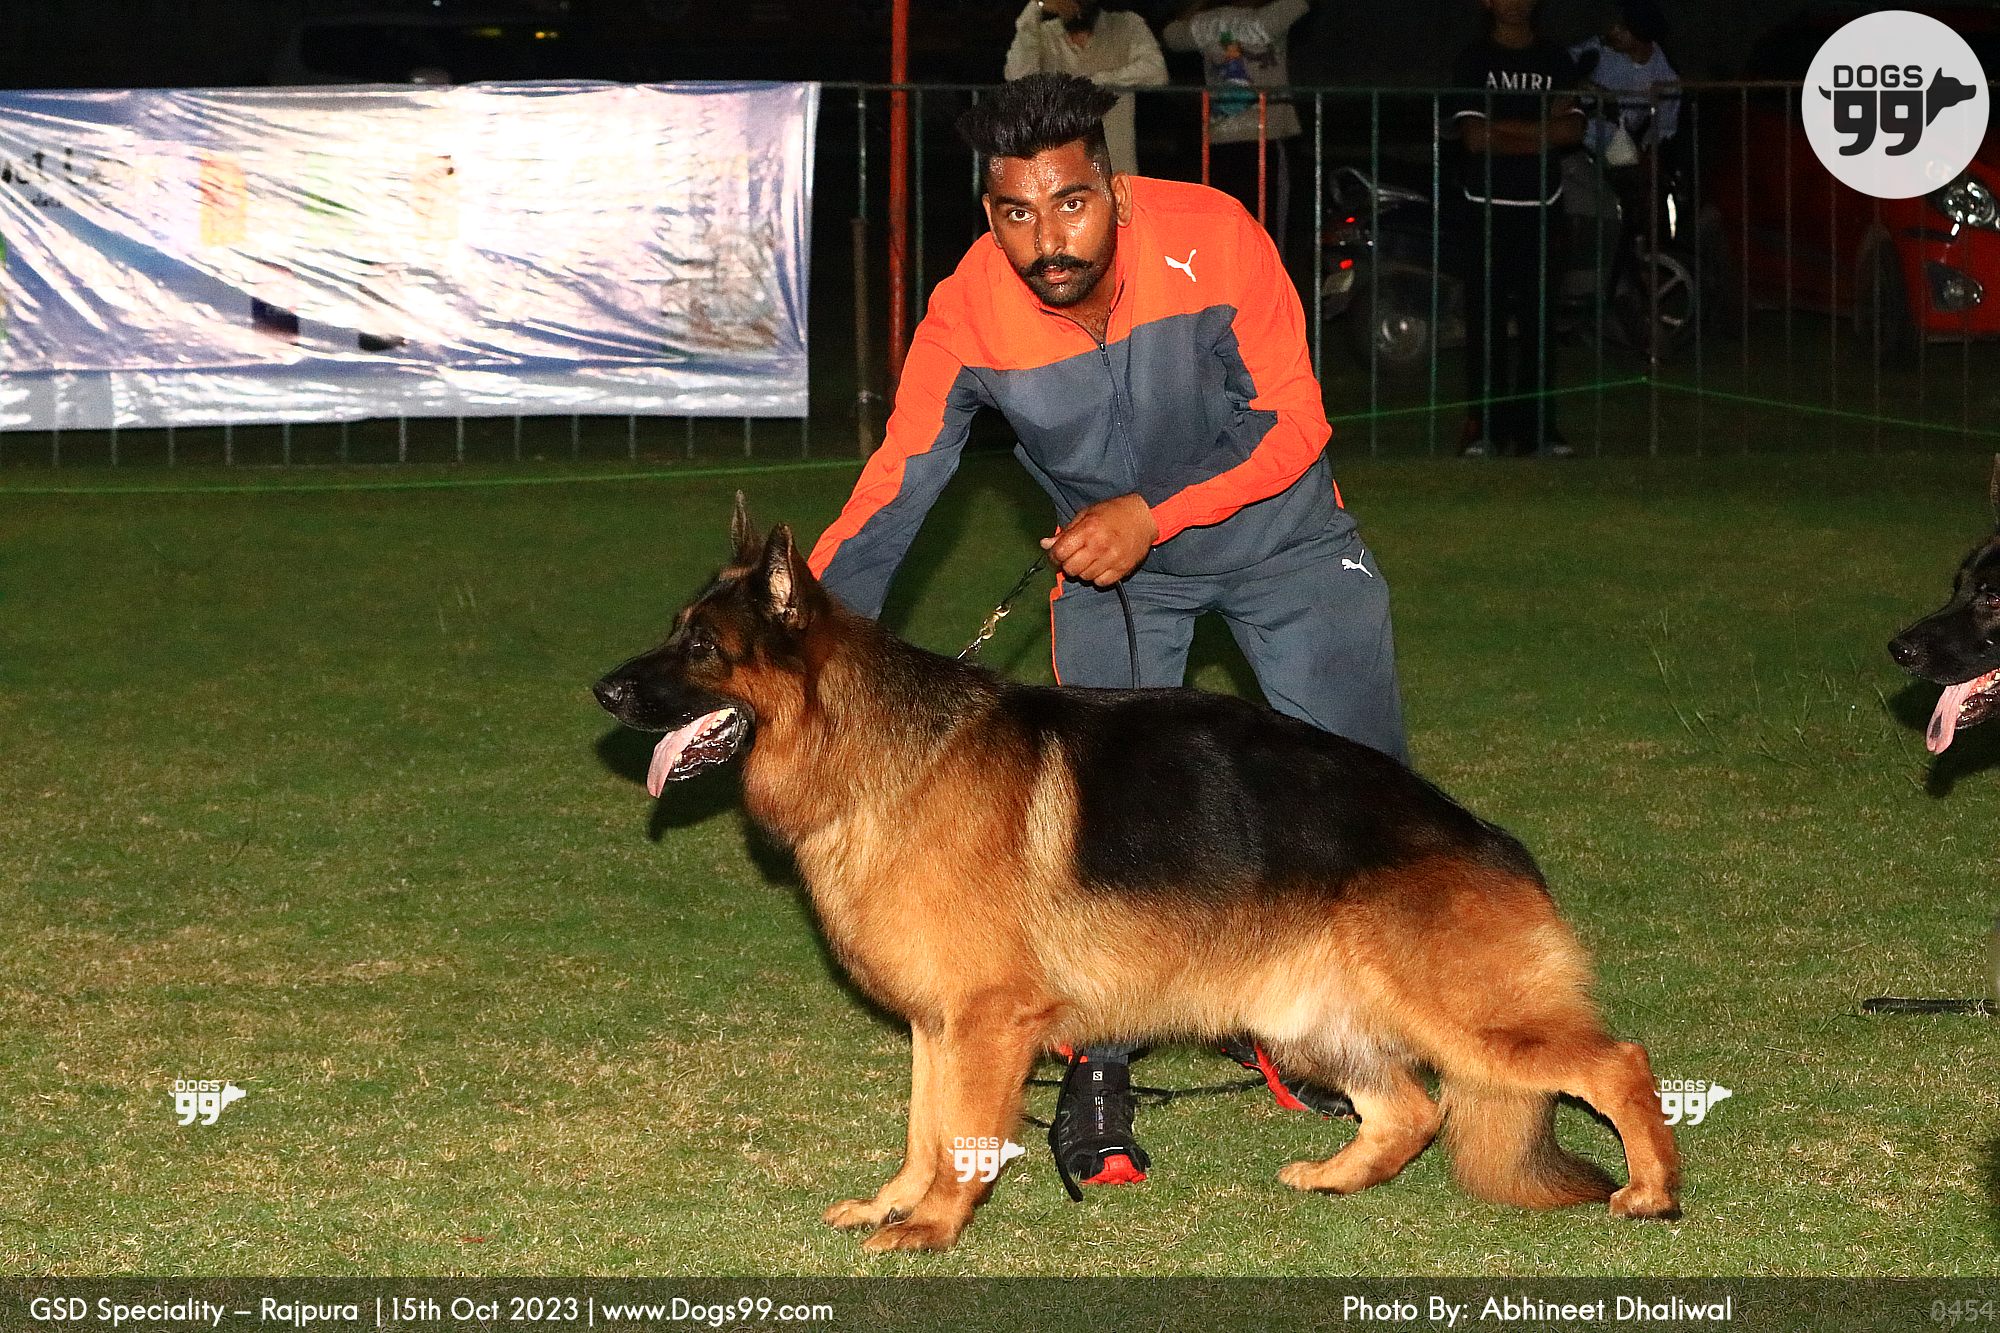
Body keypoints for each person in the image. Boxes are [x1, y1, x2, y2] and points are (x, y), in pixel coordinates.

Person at [808, 73, 1408, 1188]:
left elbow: (1295, 420)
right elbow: (897, 483)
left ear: (1114, 190)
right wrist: (799, 627)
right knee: (1096, 837)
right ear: (988, 212)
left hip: (1282, 545)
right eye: (1016, 213)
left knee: (1364, 803)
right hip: (1110, 571)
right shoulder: (967, 310)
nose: (1048, 239)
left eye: (1071, 202)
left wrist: (1153, 514)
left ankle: (1350, 1043)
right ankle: (1099, 1074)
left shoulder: (1213, 235)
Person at [1451, 0, 1585, 458]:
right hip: (1484, 206)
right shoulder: (1474, 59)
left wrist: (1505, 132)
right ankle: (1484, 428)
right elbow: (1475, 138)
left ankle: (1539, 430)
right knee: (1485, 322)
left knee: (1539, 323)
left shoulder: (1554, 58)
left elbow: (1572, 131)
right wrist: (1542, 130)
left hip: (1542, 205)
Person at [1161, 0, 1310, 260]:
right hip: (1267, 134)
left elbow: (1171, 35)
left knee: (1225, 228)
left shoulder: (1206, 23)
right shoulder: (1268, 18)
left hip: (1221, 137)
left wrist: (1198, 5)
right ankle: (1268, 282)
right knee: (1268, 233)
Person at [1570, 1, 1680, 291]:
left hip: (1616, 153)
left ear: (1640, 36)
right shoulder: (1598, 50)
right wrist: (1581, 83)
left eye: (1622, 28)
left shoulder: (1665, 80)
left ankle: (1635, 267)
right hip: (1574, 142)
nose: (1613, 31)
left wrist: (1647, 163)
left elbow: (1662, 132)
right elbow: (1559, 65)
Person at [1005, 0, 1168, 177]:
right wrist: (1036, 6)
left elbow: (1156, 72)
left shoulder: (1127, 25)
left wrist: (1092, 82)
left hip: (1116, 162)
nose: (1074, 6)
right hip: (1060, 167)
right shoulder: (1043, 34)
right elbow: (1018, 76)